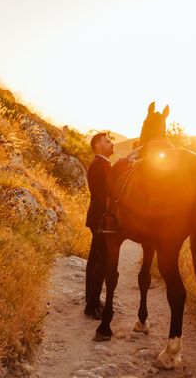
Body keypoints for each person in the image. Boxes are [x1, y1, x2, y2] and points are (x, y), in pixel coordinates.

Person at [84, 132, 114, 319]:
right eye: (107, 141)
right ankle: (92, 305)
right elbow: (108, 192)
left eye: (111, 141)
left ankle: (91, 300)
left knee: (94, 260)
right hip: (101, 219)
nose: (111, 144)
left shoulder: (99, 164)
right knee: (102, 260)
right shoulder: (101, 165)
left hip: (96, 217)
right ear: (97, 146)